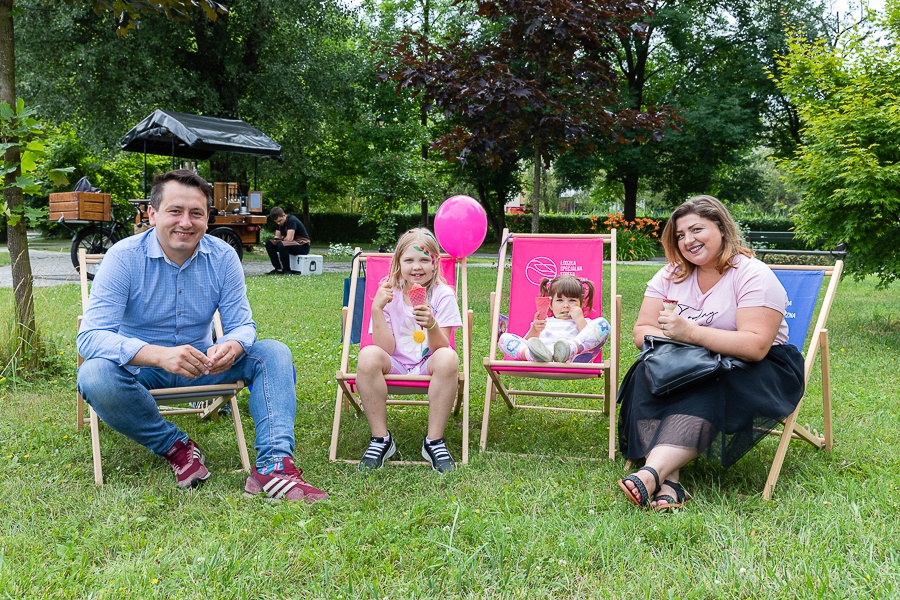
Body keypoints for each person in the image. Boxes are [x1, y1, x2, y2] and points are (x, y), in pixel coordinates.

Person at [76, 170, 328, 503]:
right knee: (94, 375)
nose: (186, 222)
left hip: (203, 364)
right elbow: (91, 336)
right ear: (152, 215)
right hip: (141, 370)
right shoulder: (123, 257)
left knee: (273, 352)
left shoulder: (223, 258)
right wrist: (158, 355)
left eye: (196, 213)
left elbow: (243, 324)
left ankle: (274, 466)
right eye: (174, 211)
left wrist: (234, 343)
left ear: (207, 218)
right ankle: (176, 447)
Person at [616, 195, 804, 511]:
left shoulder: (752, 274)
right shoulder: (670, 275)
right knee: (645, 371)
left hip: (756, 368)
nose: (688, 240)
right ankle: (670, 483)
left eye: (696, 229)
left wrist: (689, 333)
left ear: (720, 227)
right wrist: (684, 342)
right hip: (689, 360)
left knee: (708, 382)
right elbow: (641, 331)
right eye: (680, 235)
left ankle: (652, 472)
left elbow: (755, 346)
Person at [355, 228, 462, 473]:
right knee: (368, 355)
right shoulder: (389, 294)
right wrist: (376, 310)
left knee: (449, 357)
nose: (417, 266)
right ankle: (381, 439)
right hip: (396, 363)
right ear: (398, 263)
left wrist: (432, 324)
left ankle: (434, 441)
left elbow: (440, 346)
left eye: (425, 259)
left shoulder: (443, 295)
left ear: (435, 264)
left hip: (428, 363)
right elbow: (386, 348)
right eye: (409, 260)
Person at [498, 274, 611, 363]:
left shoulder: (584, 323)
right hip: (541, 359)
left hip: (573, 359)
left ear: (581, 304)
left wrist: (580, 319)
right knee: (504, 338)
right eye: (560, 300)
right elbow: (527, 342)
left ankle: (568, 350)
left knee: (603, 325)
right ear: (551, 305)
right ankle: (532, 356)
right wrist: (535, 330)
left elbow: (591, 340)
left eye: (572, 301)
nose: (566, 305)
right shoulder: (544, 322)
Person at [265, 206, 311, 274]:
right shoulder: (279, 223)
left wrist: (279, 239)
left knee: (282, 245)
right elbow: (277, 236)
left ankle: (287, 270)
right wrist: (276, 240)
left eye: (280, 221)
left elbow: (289, 239)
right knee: (269, 244)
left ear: (284, 215)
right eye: (276, 222)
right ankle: (278, 269)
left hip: (302, 245)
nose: (278, 223)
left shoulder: (291, 220)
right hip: (290, 244)